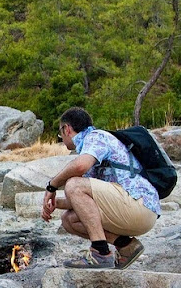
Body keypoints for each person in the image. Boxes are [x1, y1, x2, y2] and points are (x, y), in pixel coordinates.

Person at [41, 107, 160, 269]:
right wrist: (54, 204)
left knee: (73, 183)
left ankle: (100, 253)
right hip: (130, 208)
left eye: (60, 135)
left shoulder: (96, 137)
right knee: (69, 219)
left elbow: (80, 168)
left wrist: (52, 185)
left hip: (139, 204)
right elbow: (83, 202)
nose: (61, 139)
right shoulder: (89, 149)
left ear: (66, 129)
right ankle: (126, 246)